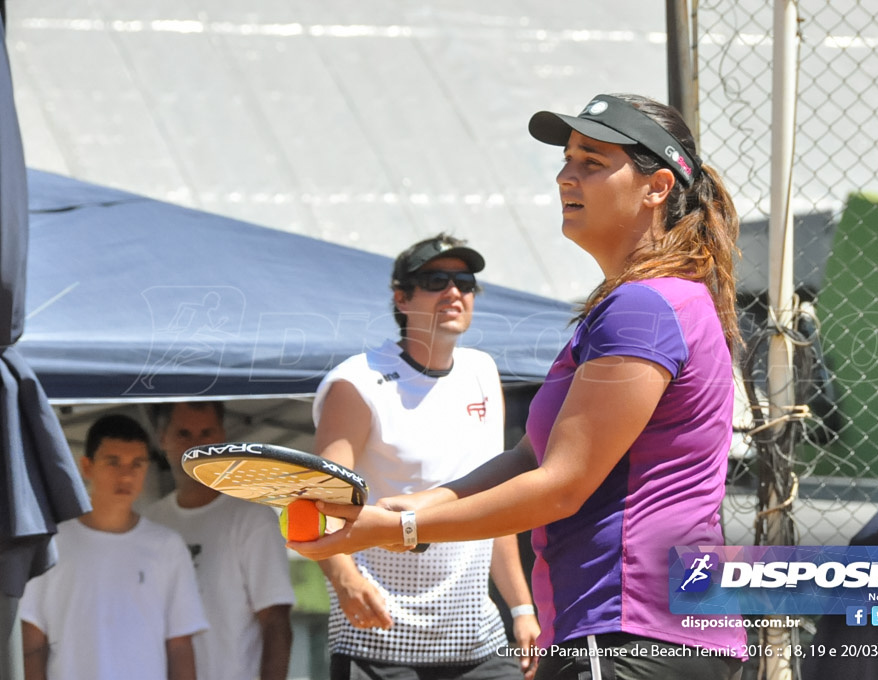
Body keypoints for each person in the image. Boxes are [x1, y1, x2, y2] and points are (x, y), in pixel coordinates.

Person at [290, 94, 749, 680]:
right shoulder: (643, 302)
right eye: (567, 159)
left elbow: (561, 488)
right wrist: (423, 504)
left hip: (634, 632)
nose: (565, 176)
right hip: (626, 631)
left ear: (657, 186)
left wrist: (403, 528)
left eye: (592, 160)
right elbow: (531, 456)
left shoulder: (644, 305)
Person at [311, 233, 541, 680]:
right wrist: (344, 580)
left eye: (465, 282)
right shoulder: (356, 383)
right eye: (436, 280)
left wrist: (521, 606)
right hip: (379, 638)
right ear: (402, 297)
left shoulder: (481, 371)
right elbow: (319, 505)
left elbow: (491, 504)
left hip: (477, 639)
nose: (454, 292)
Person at [20, 414, 207, 680]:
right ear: (87, 466)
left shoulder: (167, 546)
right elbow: (33, 643)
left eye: (137, 463)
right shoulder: (51, 543)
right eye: (113, 462)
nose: (126, 474)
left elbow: (179, 645)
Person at [145, 401, 295, 680]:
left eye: (206, 433)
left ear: (222, 436)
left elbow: (276, 623)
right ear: (161, 438)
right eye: (184, 434)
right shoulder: (149, 522)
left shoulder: (253, 518)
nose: (196, 446)